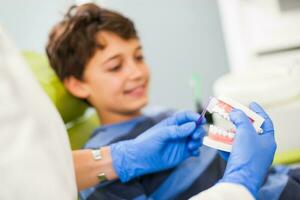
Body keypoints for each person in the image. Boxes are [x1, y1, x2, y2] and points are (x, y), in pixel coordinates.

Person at [0, 23, 289, 200]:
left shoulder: (165, 118)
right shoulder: (103, 167)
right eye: (115, 66)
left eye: (139, 56)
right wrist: (243, 177)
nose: (136, 72)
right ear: (77, 84)